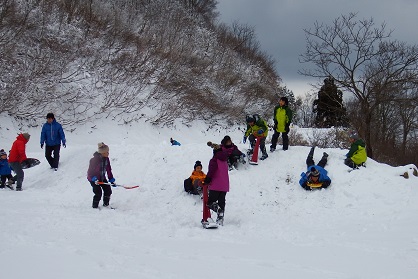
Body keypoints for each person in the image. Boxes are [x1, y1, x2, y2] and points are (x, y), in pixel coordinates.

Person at [204, 141, 230, 225]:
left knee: (210, 202)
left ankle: (218, 209)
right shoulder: (225, 161)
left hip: (215, 185)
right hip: (224, 185)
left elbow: (211, 171)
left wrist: (207, 179)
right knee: (221, 202)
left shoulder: (214, 160)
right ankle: (220, 220)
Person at [87, 143, 116, 208]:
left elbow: (109, 170)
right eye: (107, 152)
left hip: (101, 178)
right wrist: (93, 178)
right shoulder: (94, 160)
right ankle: (94, 207)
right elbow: (90, 172)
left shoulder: (106, 159)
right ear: (102, 153)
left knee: (108, 190)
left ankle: (106, 205)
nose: (108, 153)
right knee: (98, 193)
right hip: (93, 179)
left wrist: (111, 180)